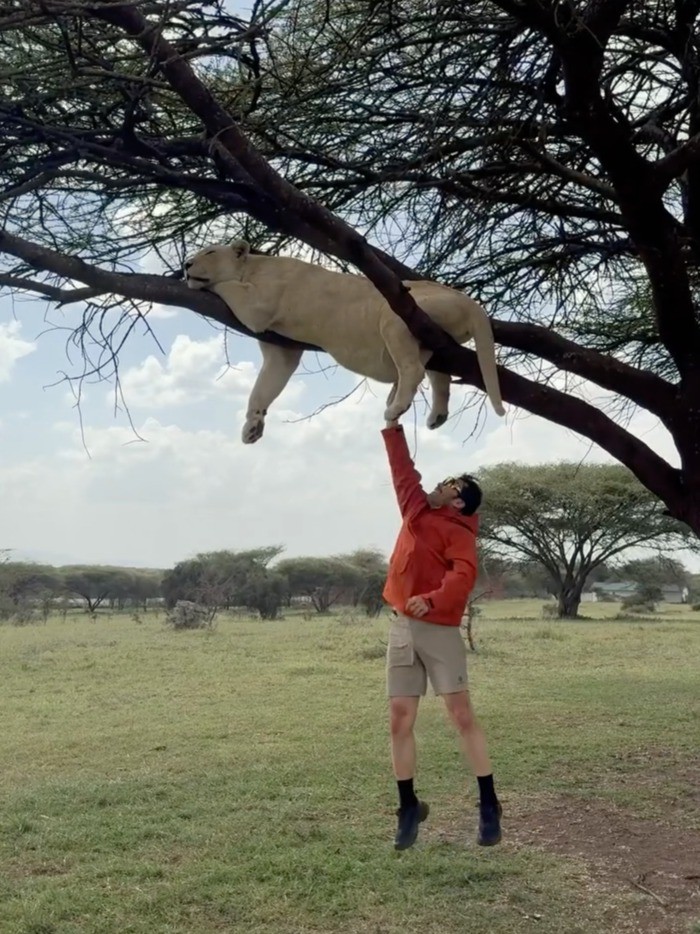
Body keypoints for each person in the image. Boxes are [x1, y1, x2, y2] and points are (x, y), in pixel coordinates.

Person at [381, 419, 501, 851]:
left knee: (461, 715)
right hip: (402, 628)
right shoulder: (416, 509)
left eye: (451, 484)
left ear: (460, 500)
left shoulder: (460, 532)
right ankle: (408, 806)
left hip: (440, 630)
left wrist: (431, 599)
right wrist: (392, 427)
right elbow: (402, 472)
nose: (441, 484)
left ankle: (489, 803)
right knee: (399, 720)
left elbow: (463, 576)